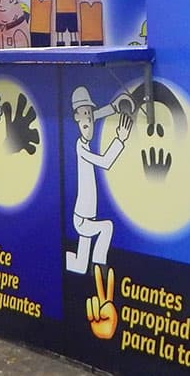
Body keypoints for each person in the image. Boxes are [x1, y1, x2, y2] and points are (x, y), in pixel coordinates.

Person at [65, 87, 131, 274]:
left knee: (79, 265)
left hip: (88, 215)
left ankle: (58, 258)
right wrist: (120, 139)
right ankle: (99, 267)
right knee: (106, 227)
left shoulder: (88, 124)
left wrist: (115, 106)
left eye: (90, 115)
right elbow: (105, 162)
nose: (89, 120)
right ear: (76, 118)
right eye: (84, 115)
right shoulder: (80, 147)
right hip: (82, 218)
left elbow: (97, 114)